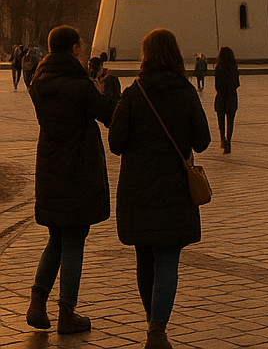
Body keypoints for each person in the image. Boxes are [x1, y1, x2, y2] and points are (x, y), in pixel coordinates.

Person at [108, 28, 210, 349]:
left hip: (137, 191)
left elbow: (115, 142)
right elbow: (203, 140)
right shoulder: (186, 91)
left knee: (144, 258)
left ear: (145, 55)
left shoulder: (134, 92)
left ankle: (153, 325)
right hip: (174, 191)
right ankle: (157, 329)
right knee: (167, 259)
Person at [26, 25, 117, 334]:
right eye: (81, 43)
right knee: (74, 241)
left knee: (56, 238)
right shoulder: (79, 87)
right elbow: (108, 114)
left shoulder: (39, 82)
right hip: (78, 169)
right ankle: (67, 311)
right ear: (74, 48)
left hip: (50, 169)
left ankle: (37, 301)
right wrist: (109, 86)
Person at [213, 46, 240, 153]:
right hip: (232, 97)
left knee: (221, 122)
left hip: (220, 97)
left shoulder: (218, 67)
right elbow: (237, 83)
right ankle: (229, 141)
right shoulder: (234, 67)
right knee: (230, 122)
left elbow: (216, 85)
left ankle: (222, 140)